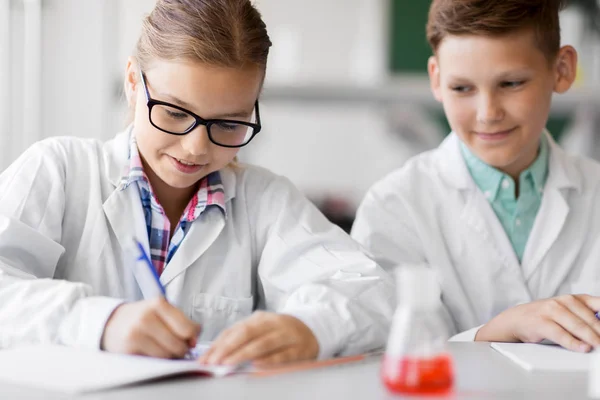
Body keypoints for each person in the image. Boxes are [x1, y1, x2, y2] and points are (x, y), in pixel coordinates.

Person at [0, 0, 393, 366]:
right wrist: (102, 322)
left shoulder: (264, 201)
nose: (196, 147)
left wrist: (312, 327)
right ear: (134, 82)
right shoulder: (58, 170)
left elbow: (375, 292)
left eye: (227, 123)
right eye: (173, 113)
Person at [352, 0, 600, 352]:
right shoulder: (395, 206)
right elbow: (382, 354)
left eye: (511, 83)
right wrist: (500, 331)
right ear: (436, 79)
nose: (488, 113)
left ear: (561, 69)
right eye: (462, 88)